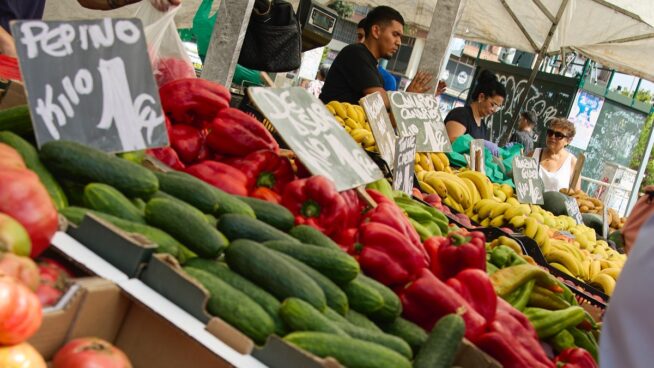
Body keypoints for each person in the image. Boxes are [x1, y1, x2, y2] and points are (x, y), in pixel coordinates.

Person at [319, 6, 432, 108]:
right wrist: (406, 97)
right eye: (395, 34)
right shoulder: (355, 53)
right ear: (376, 31)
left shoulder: (376, 74)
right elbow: (379, 100)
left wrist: (410, 97)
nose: (399, 42)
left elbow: (384, 119)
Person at [444, 70, 506, 151]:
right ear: (481, 97)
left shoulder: (483, 126)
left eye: (498, 107)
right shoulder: (461, 114)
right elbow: (452, 142)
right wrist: (479, 144)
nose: (494, 110)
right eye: (493, 105)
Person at [530, 118, 581, 192]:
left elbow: (576, 194)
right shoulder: (533, 154)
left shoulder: (572, 162)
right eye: (550, 132)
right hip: (529, 203)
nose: (552, 137)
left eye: (558, 135)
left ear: (568, 140)